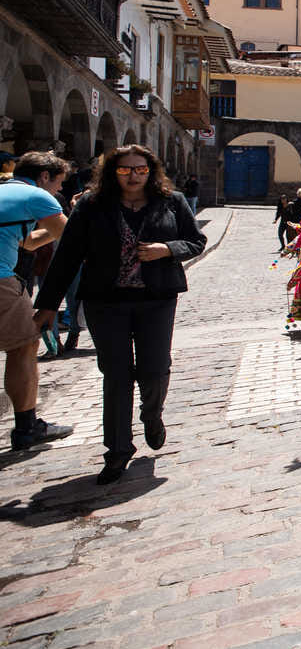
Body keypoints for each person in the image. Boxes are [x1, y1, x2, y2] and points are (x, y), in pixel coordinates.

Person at [33, 146, 206, 483]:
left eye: (140, 169)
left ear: (151, 170)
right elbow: (67, 256)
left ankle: (152, 415)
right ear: (112, 171)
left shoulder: (172, 201)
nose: (133, 175)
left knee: (155, 369)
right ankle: (117, 451)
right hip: (105, 302)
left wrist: (167, 249)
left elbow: (196, 241)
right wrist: (49, 304)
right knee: (116, 376)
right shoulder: (92, 205)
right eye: (125, 170)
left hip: (156, 300)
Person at [3, 152, 74, 451]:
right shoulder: (36, 195)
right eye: (58, 184)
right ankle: (27, 427)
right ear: (44, 176)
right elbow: (71, 237)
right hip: (1, 281)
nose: (58, 191)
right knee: (24, 347)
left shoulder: (5, 190)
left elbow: (28, 243)